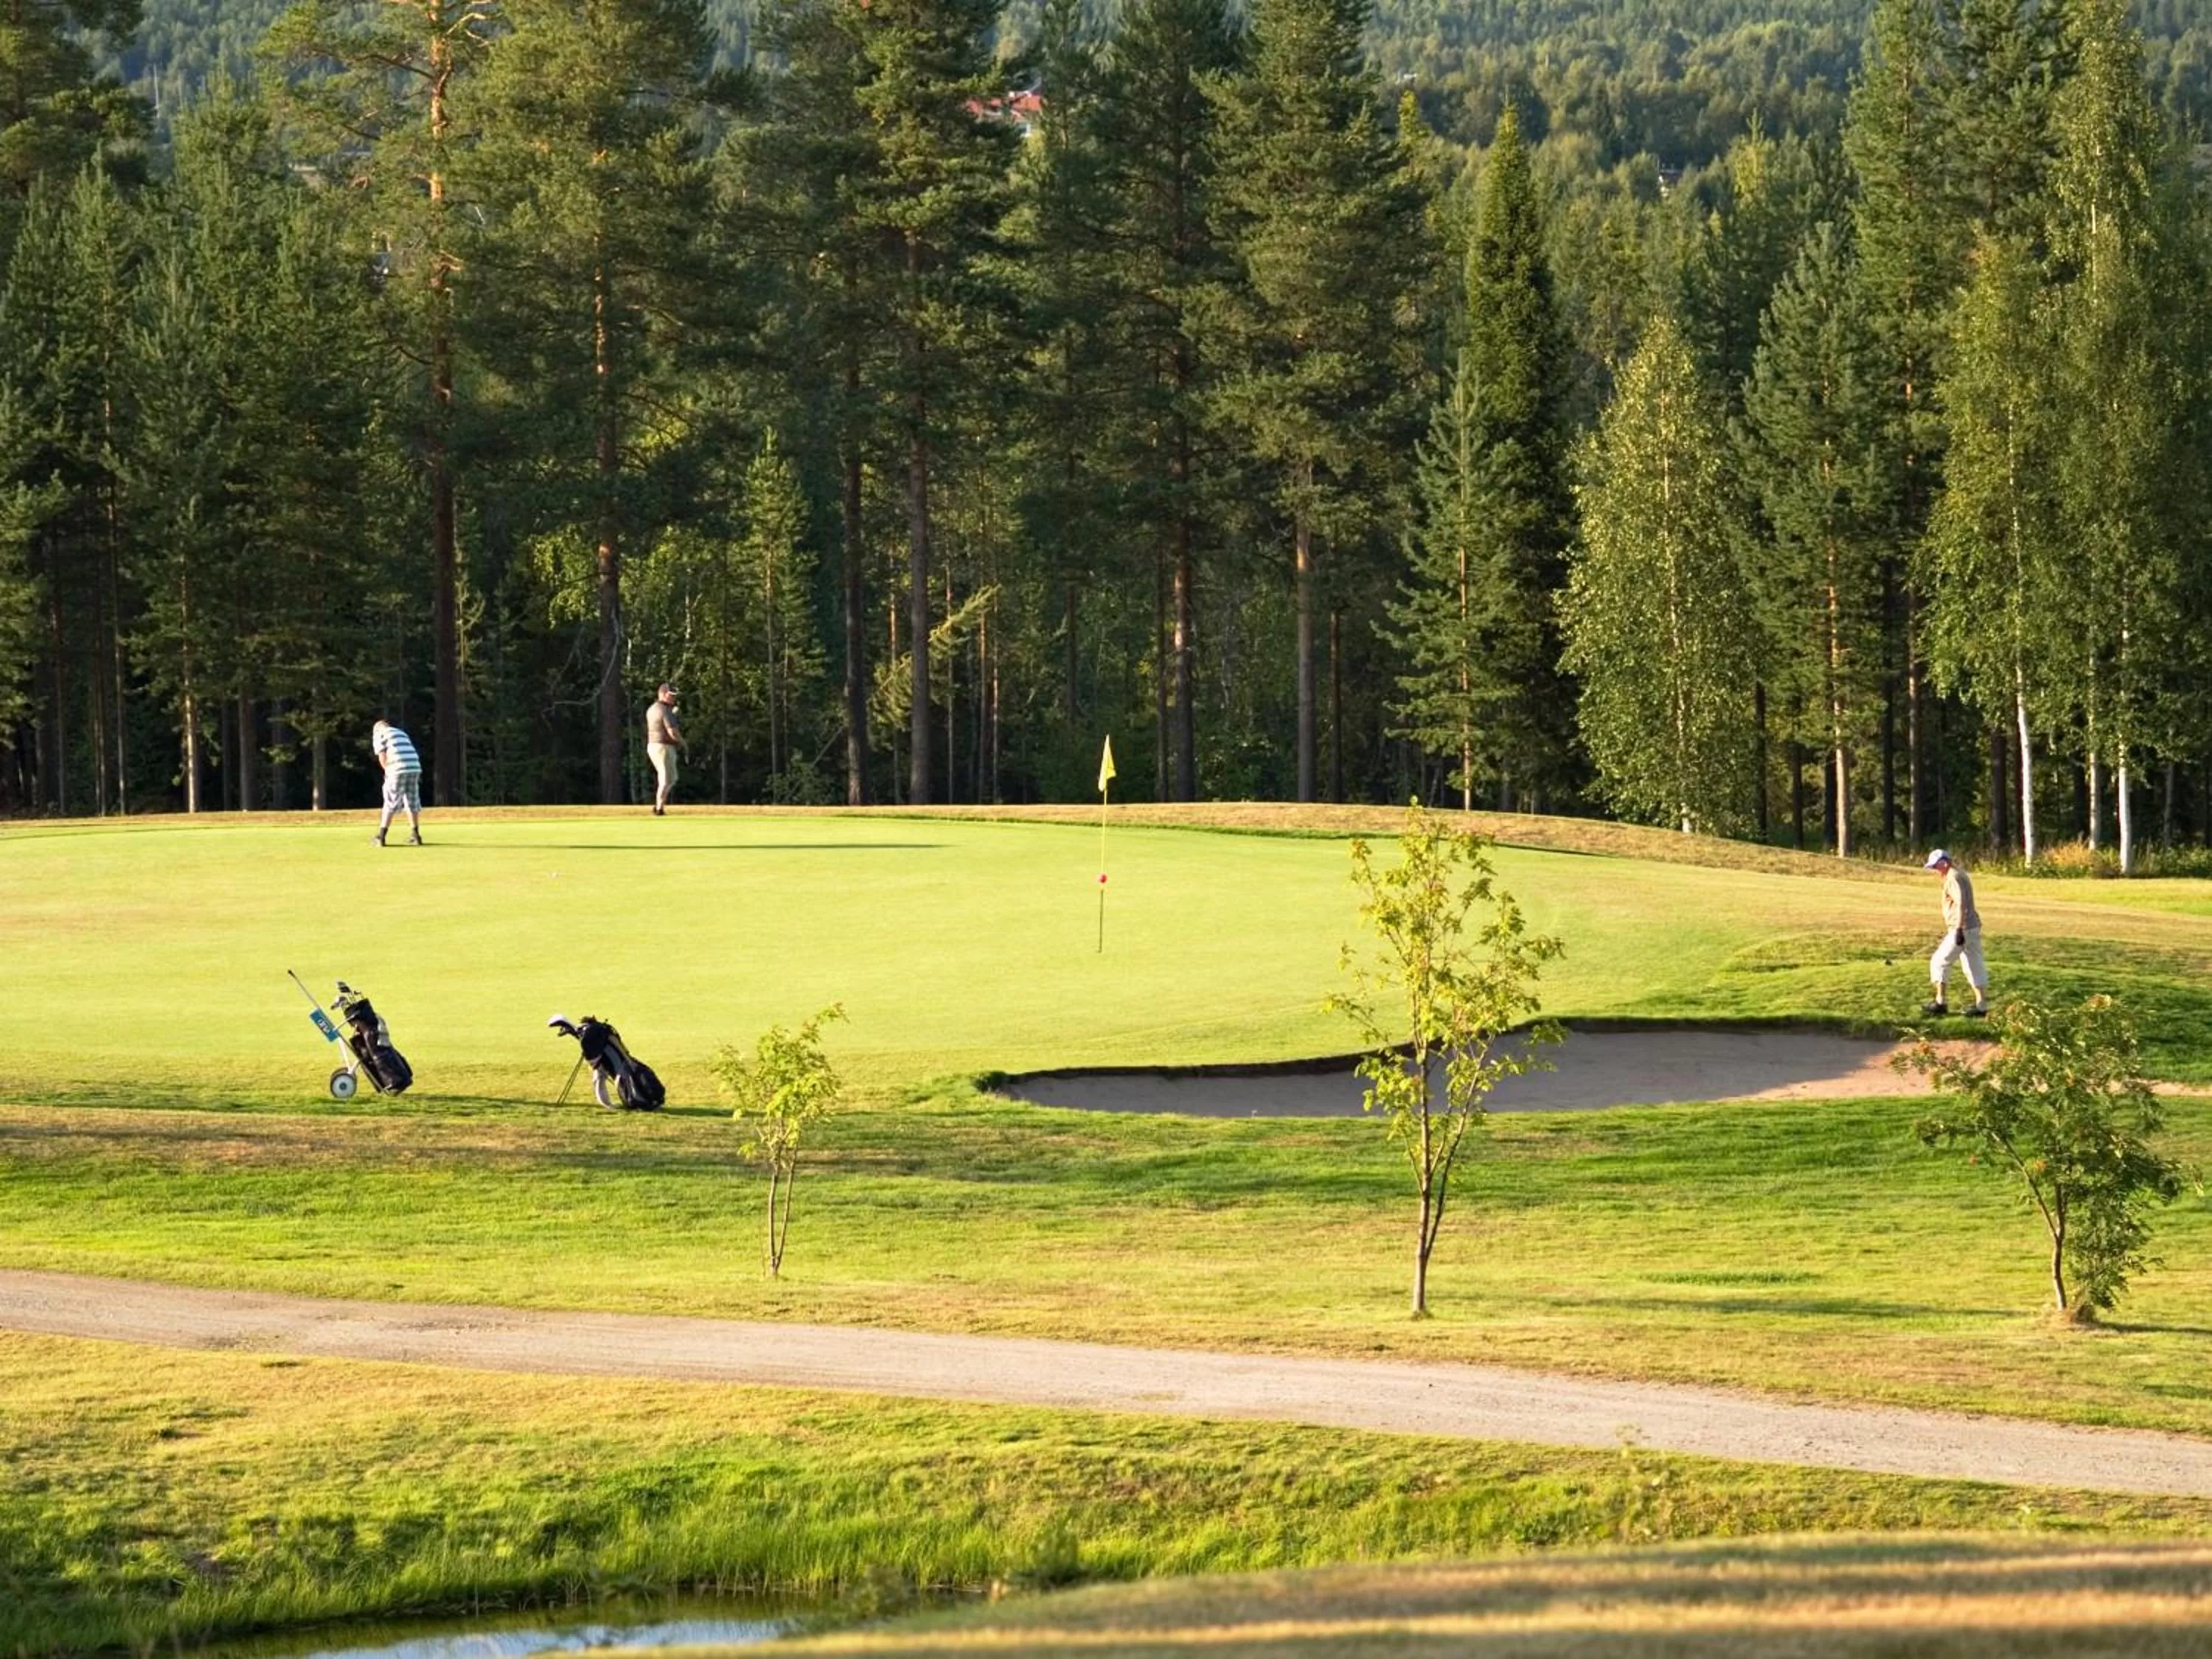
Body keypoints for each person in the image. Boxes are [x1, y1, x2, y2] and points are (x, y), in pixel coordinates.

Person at [1921, 849, 1986, 1018]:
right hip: (1972, 927)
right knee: (1974, 964)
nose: (1935, 870)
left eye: (1936, 866)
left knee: (1939, 962)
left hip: (1962, 928)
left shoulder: (1953, 877)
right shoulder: (1960, 874)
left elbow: (1961, 904)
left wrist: (1958, 929)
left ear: (1944, 862)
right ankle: (1981, 1006)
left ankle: (1940, 1002)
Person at [370, 719, 423, 846]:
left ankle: (381, 837)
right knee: (412, 801)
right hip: (415, 767)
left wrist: (387, 772)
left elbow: (382, 757)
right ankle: (416, 835)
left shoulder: (379, 734)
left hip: (398, 768)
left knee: (390, 801)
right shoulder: (401, 733)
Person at [645, 684, 686, 815]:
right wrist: (683, 743)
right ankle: (659, 808)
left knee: (670, 778)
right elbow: (672, 732)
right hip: (663, 747)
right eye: (671, 696)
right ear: (662, 694)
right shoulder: (665, 710)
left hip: (653, 746)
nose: (673, 699)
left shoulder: (652, 709)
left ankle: (658, 805)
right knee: (667, 778)